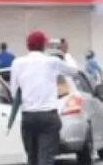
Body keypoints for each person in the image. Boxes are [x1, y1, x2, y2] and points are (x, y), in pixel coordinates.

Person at [11, 31, 79, 165]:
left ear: (28, 45)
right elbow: (74, 71)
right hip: (48, 116)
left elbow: (14, 91)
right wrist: (66, 54)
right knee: (46, 158)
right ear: (43, 45)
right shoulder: (52, 62)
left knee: (32, 158)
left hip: (28, 116)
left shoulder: (17, 63)